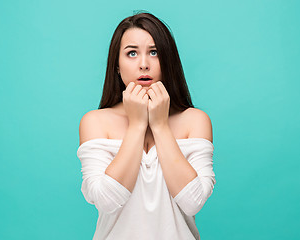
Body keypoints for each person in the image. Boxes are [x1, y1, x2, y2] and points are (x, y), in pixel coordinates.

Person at [77, 12, 216, 240]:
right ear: (117, 66)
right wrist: (137, 125)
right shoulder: (95, 122)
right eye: (132, 53)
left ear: (168, 61)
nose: (144, 64)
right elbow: (106, 200)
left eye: (154, 52)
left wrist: (160, 125)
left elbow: (193, 202)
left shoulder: (195, 120)